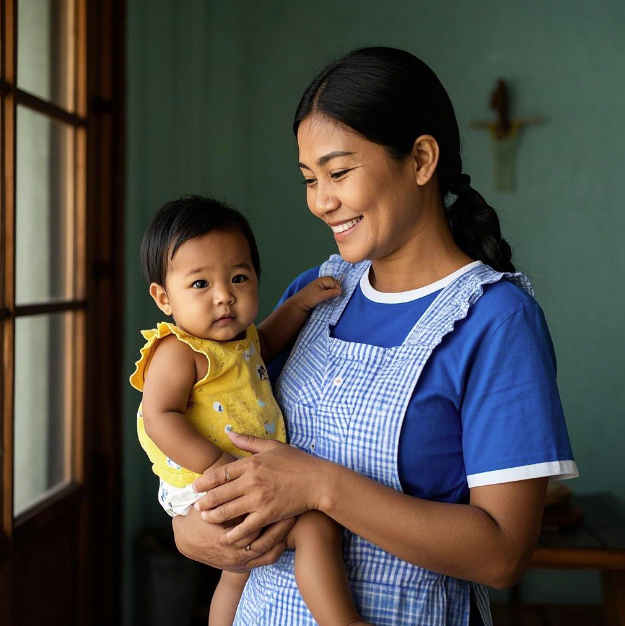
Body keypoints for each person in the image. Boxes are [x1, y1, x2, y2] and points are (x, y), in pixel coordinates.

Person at [172, 47, 579, 626]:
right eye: (310, 179)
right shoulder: (315, 292)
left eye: (338, 173)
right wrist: (191, 531)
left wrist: (321, 487)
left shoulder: (496, 319)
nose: (320, 202)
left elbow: (503, 554)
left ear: (420, 159)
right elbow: (217, 436)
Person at [130, 196, 371, 626]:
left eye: (238, 277)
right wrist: (220, 468)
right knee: (316, 528)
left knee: (235, 576)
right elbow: (158, 417)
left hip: (237, 479)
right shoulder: (178, 351)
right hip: (215, 479)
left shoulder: (239, 341)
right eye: (200, 284)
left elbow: (268, 344)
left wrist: (299, 304)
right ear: (164, 297)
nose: (224, 297)